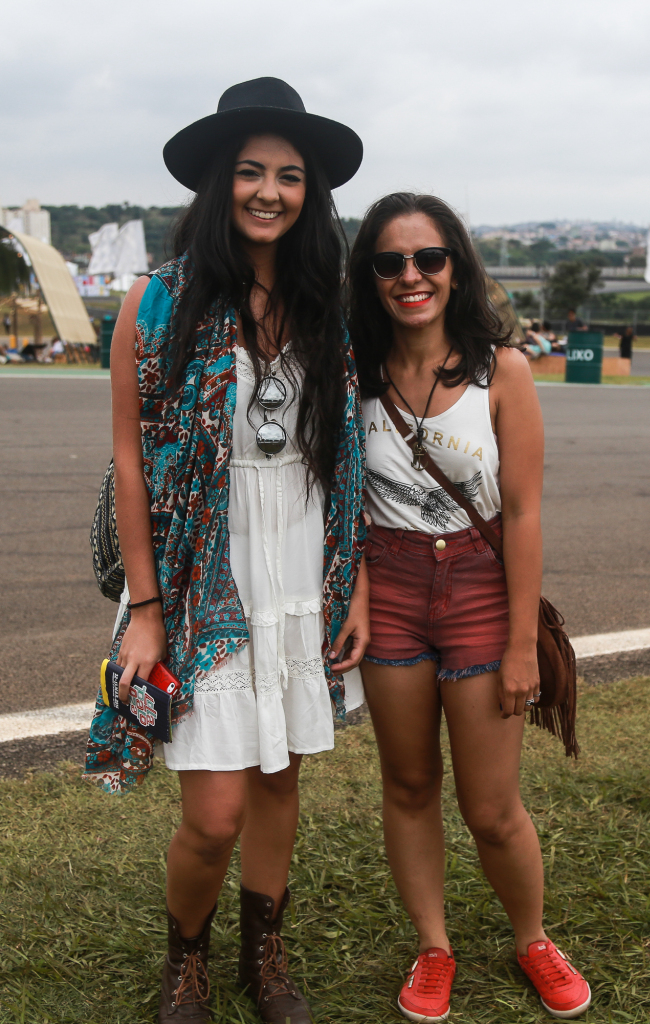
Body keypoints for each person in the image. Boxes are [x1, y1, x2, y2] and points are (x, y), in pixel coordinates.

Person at [84, 77, 368, 1024]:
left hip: (300, 562)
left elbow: (345, 456)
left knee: (281, 772)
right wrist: (149, 607)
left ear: (309, 194)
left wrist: (353, 582)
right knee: (212, 813)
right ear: (218, 183)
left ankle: (266, 957)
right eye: (250, 171)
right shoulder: (156, 303)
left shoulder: (327, 301)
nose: (269, 192)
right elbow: (130, 462)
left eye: (289, 176)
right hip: (202, 568)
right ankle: (187, 964)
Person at [348, 192, 591, 1021]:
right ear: (371, 276)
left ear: (455, 267)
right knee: (409, 782)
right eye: (390, 262)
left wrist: (523, 642)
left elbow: (522, 514)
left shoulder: (503, 371)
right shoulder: (355, 371)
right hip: (392, 589)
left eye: (428, 259)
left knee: (491, 808)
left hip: (482, 595)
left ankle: (532, 939)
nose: (411, 276)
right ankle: (434, 946)